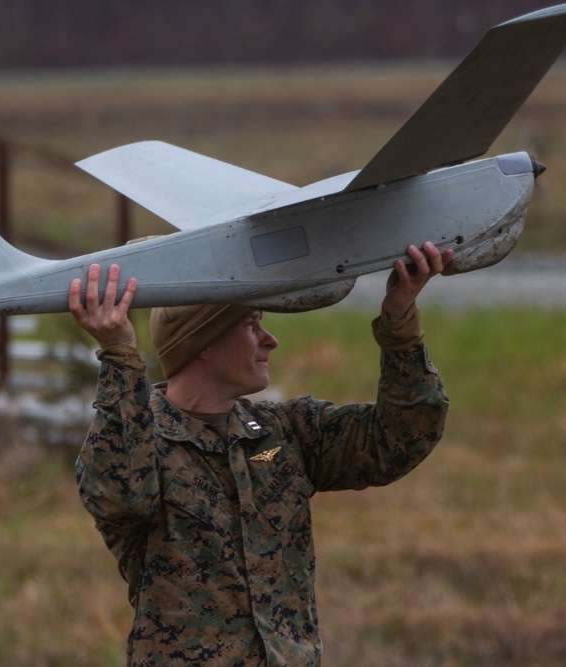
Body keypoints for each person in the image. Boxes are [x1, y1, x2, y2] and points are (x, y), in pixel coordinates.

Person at [69, 242, 452, 666]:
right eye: (252, 324)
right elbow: (120, 497)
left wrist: (399, 321)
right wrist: (120, 356)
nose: (271, 340)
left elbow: (401, 438)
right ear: (204, 343)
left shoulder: (287, 430)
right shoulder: (140, 442)